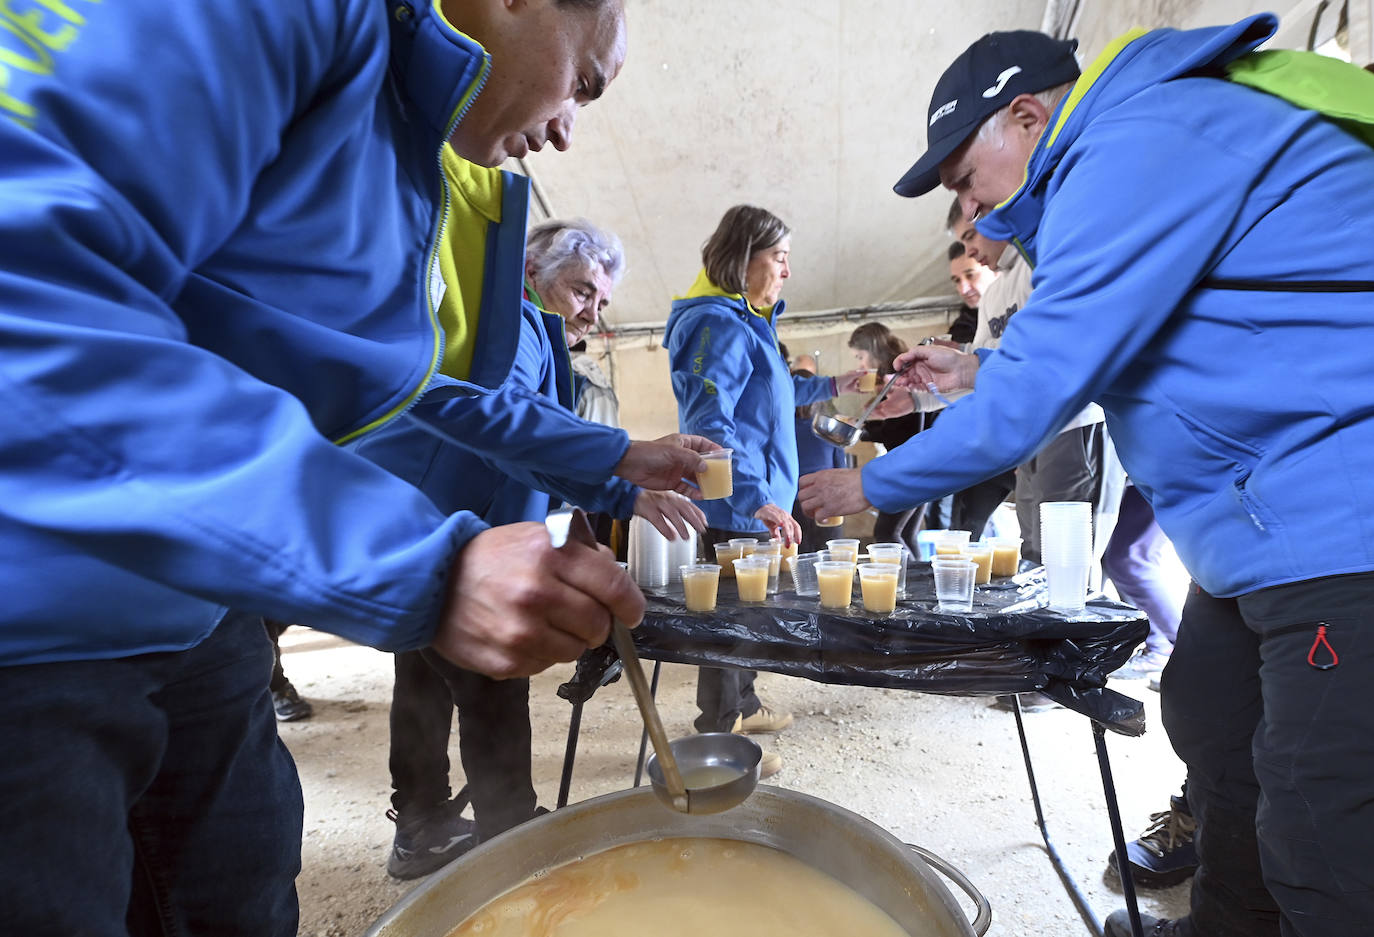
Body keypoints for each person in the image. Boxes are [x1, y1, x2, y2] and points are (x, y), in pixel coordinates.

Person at [0, 2, 703, 933]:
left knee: (243, 879)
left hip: (197, 598)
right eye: (584, 82)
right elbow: (31, 303)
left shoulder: (399, 127)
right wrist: (422, 564)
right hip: (33, 616)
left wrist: (614, 455)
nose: (570, 128)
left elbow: (393, 380)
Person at [801, 19, 1374, 937]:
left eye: (965, 180)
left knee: (1322, 809)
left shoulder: (1134, 143)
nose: (973, 209)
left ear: (1025, 116)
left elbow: (1039, 399)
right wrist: (982, 373)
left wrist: (868, 485)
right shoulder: (1125, 155)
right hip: (1259, 525)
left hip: (1339, 517)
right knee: (1215, 724)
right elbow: (1124, 349)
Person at [359, 200, 708, 880]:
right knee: (494, 684)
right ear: (532, 270)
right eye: (582, 290)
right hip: (466, 534)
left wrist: (620, 494)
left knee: (421, 681)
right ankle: (512, 839)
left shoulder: (528, 333)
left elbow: (526, 451)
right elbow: (510, 425)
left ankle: (422, 825)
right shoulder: (519, 324)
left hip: (427, 528)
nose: (590, 312)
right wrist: (625, 460)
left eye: (600, 300)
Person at [663, 204, 863, 777]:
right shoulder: (716, 323)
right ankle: (717, 732)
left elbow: (768, 395)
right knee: (727, 618)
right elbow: (711, 423)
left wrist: (832, 384)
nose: (786, 271)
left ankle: (744, 706)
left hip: (755, 498)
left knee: (751, 613)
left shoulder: (748, 321)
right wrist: (753, 495)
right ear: (742, 258)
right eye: (779, 258)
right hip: (734, 501)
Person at [946, 241, 991, 344]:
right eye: (957, 280)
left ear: (995, 270)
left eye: (970, 275)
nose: (963, 290)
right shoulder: (963, 325)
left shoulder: (1025, 302)